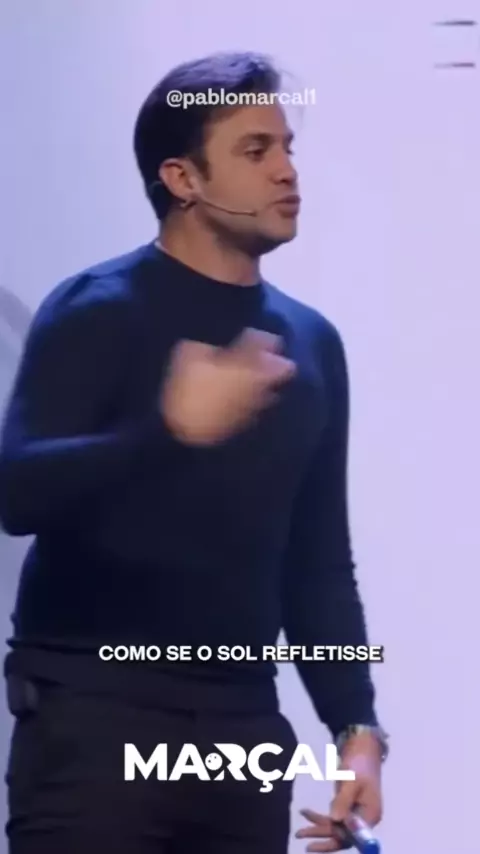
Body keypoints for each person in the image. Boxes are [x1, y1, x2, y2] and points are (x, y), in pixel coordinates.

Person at [0, 51, 388, 854]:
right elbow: (17, 494)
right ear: (182, 178)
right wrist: (166, 431)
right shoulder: (95, 308)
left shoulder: (311, 342)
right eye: (256, 150)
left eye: (287, 147)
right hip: (96, 714)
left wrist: (356, 728)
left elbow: (317, 560)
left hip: (242, 727)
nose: (287, 171)